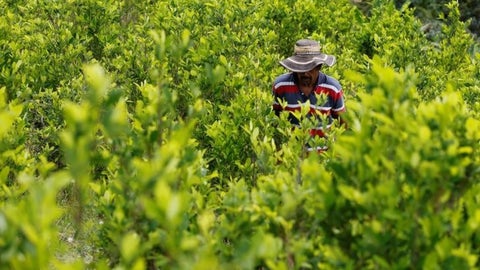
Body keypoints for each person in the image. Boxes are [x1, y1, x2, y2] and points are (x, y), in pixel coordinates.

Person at [272, 39, 346, 153]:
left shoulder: (332, 88)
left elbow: (344, 124)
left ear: (319, 66)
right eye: (301, 68)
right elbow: (275, 120)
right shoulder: (281, 85)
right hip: (291, 156)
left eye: (310, 68)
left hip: (322, 158)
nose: (305, 73)